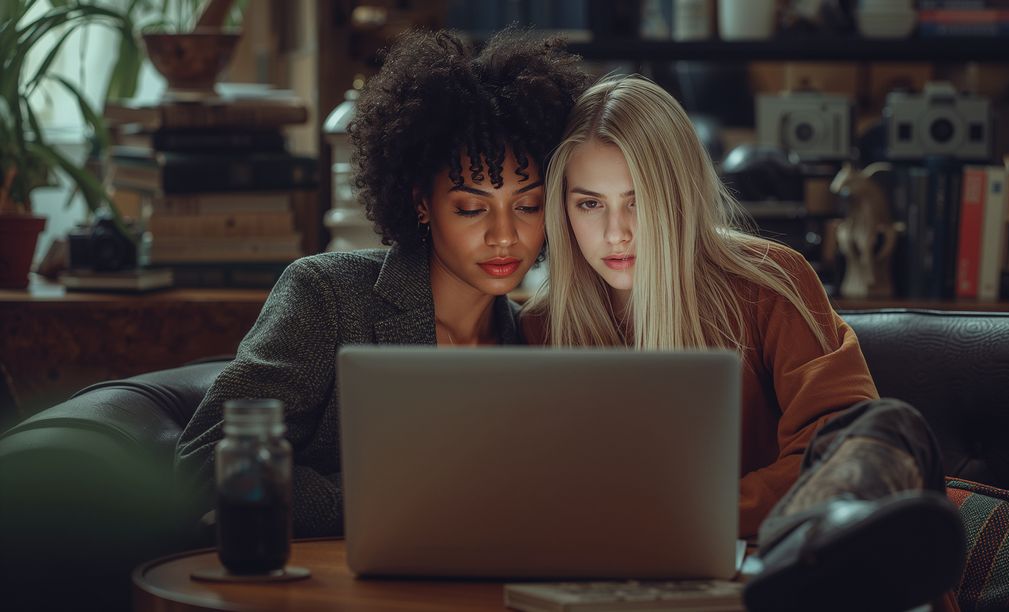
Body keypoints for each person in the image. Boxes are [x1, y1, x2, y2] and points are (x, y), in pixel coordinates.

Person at [521, 75, 965, 612]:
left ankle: (809, 566)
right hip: (626, 576)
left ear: (678, 197)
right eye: (590, 205)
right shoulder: (539, 326)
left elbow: (830, 446)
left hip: (767, 559)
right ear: (562, 210)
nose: (617, 232)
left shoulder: (767, 281)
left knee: (888, 427)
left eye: (638, 202)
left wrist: (697, 514)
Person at [175, 28, 593, 539]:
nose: (504, 236)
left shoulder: (532, 338)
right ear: (421, 202)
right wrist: (385, 500)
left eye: (527, 206)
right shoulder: (326, 296)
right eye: (470, 208)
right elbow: (203, 468)